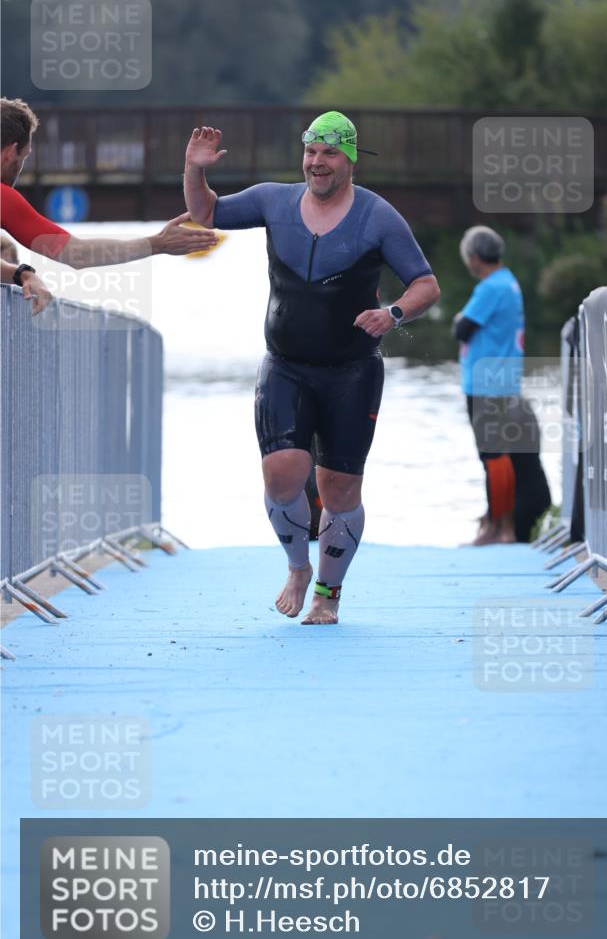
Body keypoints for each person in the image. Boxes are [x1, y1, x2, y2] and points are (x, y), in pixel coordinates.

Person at [184, 110, 440, 624]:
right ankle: (298, 566)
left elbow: (426, 286)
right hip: (285, 365)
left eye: (329, 154)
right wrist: (195, 169)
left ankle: (329, 591)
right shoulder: (272, 201)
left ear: (349, 160)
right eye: (310, 153)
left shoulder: (378, 217)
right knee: (282, 473)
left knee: (338, 487)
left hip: (352, 372)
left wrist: (392, 314)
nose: (317, 163)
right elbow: (206, 215)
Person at [1, 98, 217, 273]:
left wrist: (19, 275)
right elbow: (78, 253)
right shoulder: (4, 198)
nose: (21, 167)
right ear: (11, 152)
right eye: (25, 156)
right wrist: (159, 243)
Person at [454, 226, 551, 544]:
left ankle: (500, 526)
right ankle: (500, 521)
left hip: (485, 383)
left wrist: (457, 319)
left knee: (492, 455)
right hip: (503, 380)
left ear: (473, 257)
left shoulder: (489, 288)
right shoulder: (509, 282)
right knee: (498, 454)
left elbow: (463, 328)